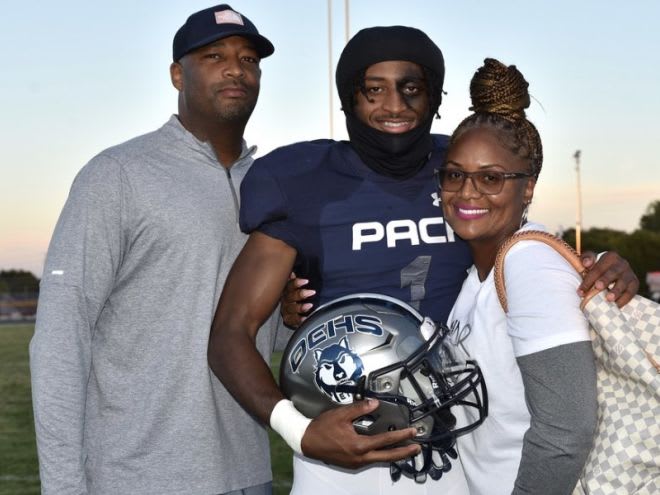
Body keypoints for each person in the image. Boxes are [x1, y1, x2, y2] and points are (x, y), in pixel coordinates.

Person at [209, 26, 638, 495]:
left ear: (435, 98)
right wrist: (300, 430)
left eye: (411, 88)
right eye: (374, 89)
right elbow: (230, 332)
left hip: (453, 438)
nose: (394, 106)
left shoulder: (460, 165)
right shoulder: (302, 179)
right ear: (348, 98)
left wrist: (594, 263)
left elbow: (522, 250)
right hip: (340, 440)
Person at [29, 5, 278, 494]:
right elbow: (61, 338)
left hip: (249, 474)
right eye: (214, 55)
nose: (236, 69)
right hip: (139, 477)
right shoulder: (117, 174)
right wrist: (63, 486)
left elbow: (266, 335)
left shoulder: (272, 185)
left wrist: (291, 317)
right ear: (176, 74)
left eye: (249, 59)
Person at [440, 58, 597, 494]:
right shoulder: (480, 272)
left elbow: (566, 434)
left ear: (527, 187)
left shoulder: (529, 264)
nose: (467, 192)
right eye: (455, 174)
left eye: (491, 178)